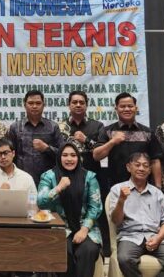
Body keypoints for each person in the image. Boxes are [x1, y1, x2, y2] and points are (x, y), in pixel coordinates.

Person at [109, 153, 164, 277]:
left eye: (145, 166)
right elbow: (116, 221)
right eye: (137, 165)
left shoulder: (157, 193)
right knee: (124, 259)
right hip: (130, 236)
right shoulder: (117, 189)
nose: (141, 168)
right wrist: (121, 200)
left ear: (149, 170)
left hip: (155, 236)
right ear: (128, 167)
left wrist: (158, 238)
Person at [38, 142, 102, 277]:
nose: (69, 159)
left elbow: (95, 206)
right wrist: (58, 188)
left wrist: (84, 229)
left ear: (78, 158)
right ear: (59, 157)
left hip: (86, 227)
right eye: (65, 155)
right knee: (62, 250)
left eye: (73, 155)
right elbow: (41, 202)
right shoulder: (48, 176)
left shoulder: (89, 177)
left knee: (88, 250)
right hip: (59, 228)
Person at [58, 90, 110, 255]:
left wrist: (86, 140)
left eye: (82, 102)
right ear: (69, 105)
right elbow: (58, 151)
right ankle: (70, 243)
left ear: (87, 105)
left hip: (92, 177)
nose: (78, 105)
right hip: (66, 178)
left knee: (96, 212)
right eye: (74, 102)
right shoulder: (61, 127)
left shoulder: (97, 126)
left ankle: (102, 250)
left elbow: (102, 150)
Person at [93, 92, 163, 187]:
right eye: (122, 106)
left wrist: (158, 186)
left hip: (143, 186)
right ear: (116, 109)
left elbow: (155, 161)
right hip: (116, 186)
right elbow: (96, 156)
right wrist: (112, 142)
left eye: (130, 106)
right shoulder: (107, 131)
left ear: (136, 108)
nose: (126, 109)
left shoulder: (148, 132)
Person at [8, 89, 62, 185]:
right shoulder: (15, 128)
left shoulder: (53, 127)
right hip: (21, 180)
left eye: (38, 103)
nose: (34, 106)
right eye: (31, 103)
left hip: (48, 180)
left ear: (43, 105)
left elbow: (63, 154)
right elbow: (10, 155)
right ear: (25, 105)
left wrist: (47, 148)